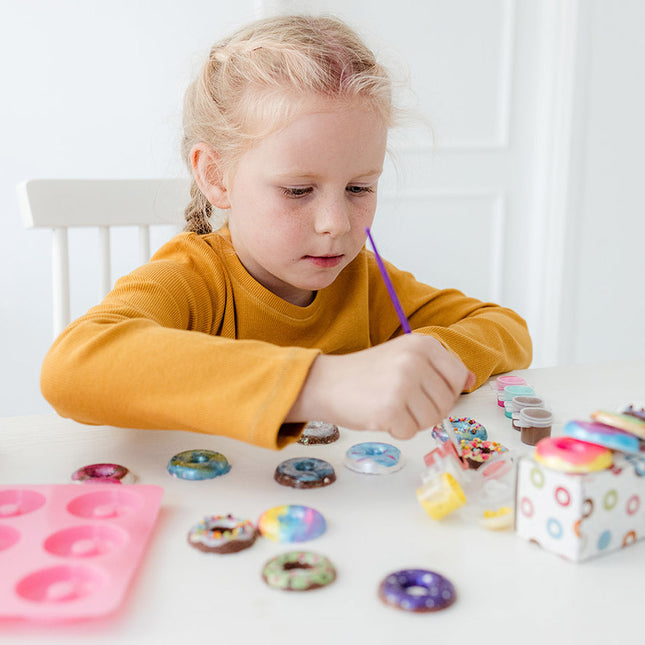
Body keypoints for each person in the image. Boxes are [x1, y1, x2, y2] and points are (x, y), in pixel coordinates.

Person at [40, 14, 532, 449]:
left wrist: (423, 362)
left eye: (359, 188)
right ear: (215, 175)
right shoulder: (193, 281)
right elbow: (71, 369)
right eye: (298, 190)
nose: (336, 223)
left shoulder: (366, 284)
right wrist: (321, 384)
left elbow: (506, 329)